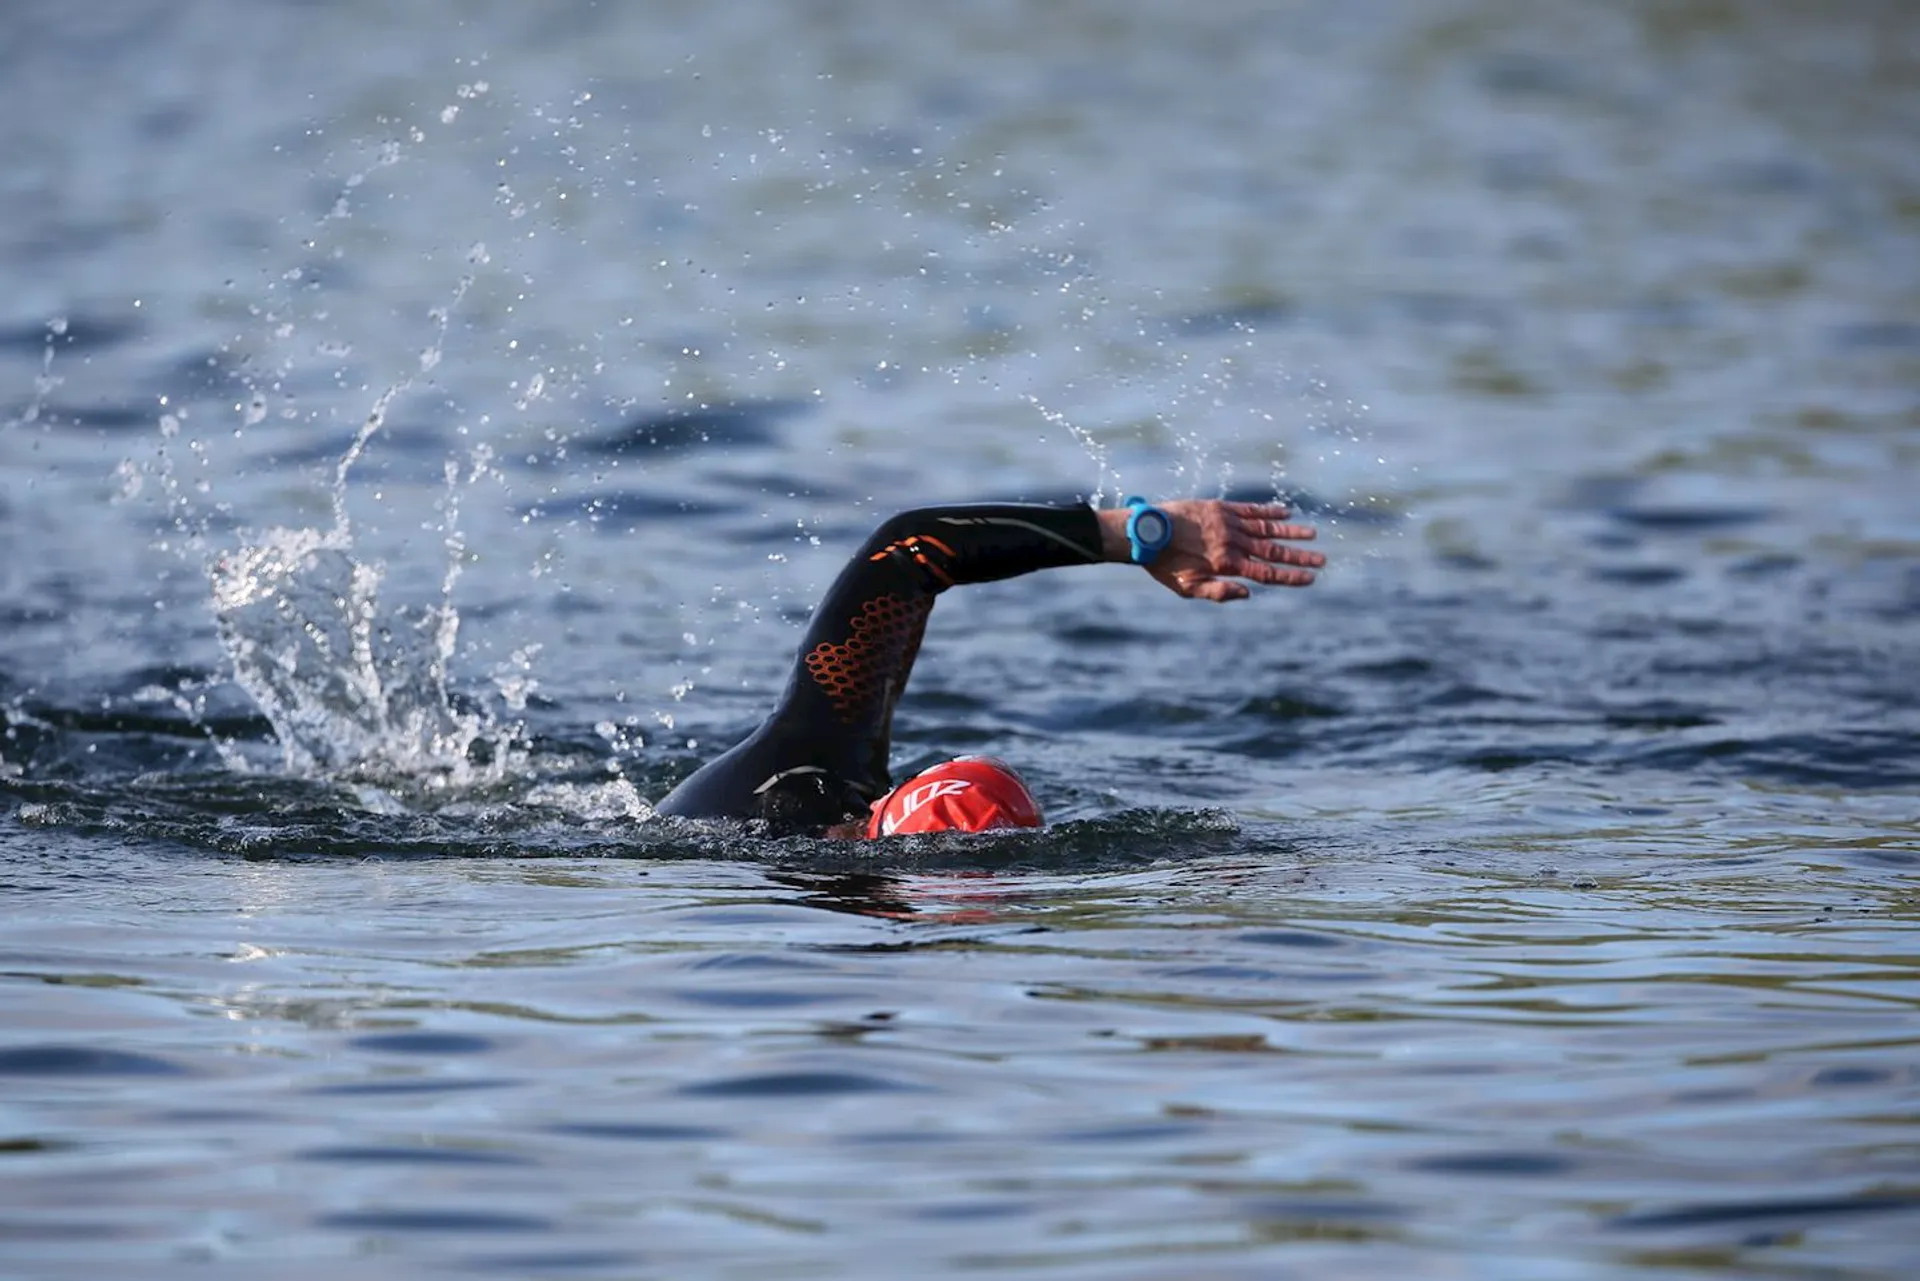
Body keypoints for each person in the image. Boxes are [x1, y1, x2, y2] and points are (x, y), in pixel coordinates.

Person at [654, 496, 1324, 838]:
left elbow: (910, 550)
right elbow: (909, 546)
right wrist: (1133, 529)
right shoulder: (813, 755)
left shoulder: (834, 755)